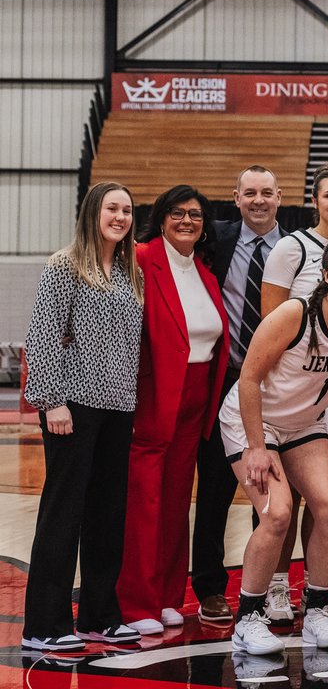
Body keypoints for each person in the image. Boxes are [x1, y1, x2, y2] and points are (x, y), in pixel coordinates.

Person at [220, 236, 328, 655]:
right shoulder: (296, 312)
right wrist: (256, 447)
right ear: (325, 275)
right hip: (255, 420)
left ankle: (319, 609)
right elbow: (249, 378)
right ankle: (248, 618)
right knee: (277, 513)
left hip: (304, 423)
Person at [21, 182, 145, 651]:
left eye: (127, 210)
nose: (120, 217)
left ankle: (99, 616)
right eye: (112, 208)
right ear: (93, 212)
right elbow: (44, 334)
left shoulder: (131, 271)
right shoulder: (64, 265)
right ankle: (44, 626)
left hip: (118, 407)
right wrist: (51, 400)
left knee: (107, 515)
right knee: (63, 515)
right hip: (71, 406)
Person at [118, 185, 229, 635]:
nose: (187, 222)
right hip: (155, 392)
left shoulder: (203, 270)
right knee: (145, 498)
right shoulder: (142, 259)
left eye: (196, 216)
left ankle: (166, 595)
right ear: (161, 217)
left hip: (197, 393)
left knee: (177, 498)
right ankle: (136, 602)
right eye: (178, 213)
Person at [192, 165, 286, 625]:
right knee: (213, 489)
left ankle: (265, 587)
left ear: (279, 197)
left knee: (269, 489)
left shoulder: (295, 249)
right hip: (227, 379)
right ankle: (209, 587)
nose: (258, 200)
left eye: (266, 193)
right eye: (249, 193)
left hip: (278, 383)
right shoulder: (215, 239)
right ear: (236, 197)